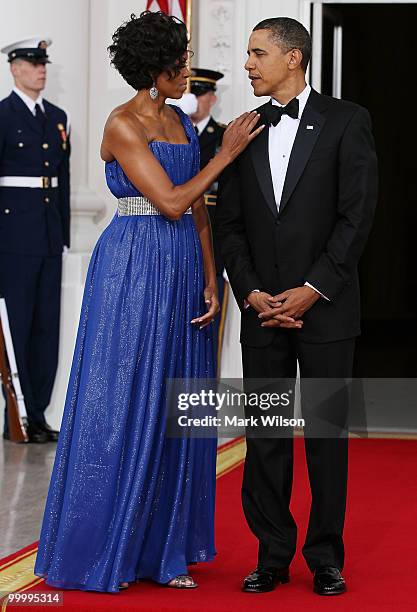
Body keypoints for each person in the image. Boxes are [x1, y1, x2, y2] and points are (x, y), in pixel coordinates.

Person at [34, 11, 263, 593]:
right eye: (178, 67)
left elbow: (198, 211)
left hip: (184, 262)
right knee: (127, 396)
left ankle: (165, 551)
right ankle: (102, 546)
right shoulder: (121, 124)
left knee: (178, 402)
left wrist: (213, 279)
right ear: (152, 71)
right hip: (133, 266)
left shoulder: (181, 121)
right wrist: (228, 152)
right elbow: (169, 199)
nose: (186, 74)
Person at [216, 17, 377, 596]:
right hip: (262, 310)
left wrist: (313, 288)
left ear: (294, 58)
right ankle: (272, 555)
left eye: (258, 53)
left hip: (327, 310)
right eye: (247, 53)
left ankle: (326, 559)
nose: (248, 64)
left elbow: (355, 218)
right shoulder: (239, 131)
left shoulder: (347, 121)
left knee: (326, 437)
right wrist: (251, 290)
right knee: (264, 438)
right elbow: (228, 225)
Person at [0, 38, 70, 444]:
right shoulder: (5, 116)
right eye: (32, 63)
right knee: (17, 327)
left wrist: (60, 233)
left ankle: (39, 413)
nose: (41, 69)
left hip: (47, 237)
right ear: (14, 69)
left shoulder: (57, 117)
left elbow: (61, 183)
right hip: (13, 239)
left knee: (47, 328)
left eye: (44, 63)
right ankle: (19, 414)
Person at [190, 68, 228, 374]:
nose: (194, 100)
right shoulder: (171, 132)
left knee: (210, 321)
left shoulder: (224, 136)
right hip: (177, 228)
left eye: (200, 93)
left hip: (212, 234)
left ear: (212, 98)